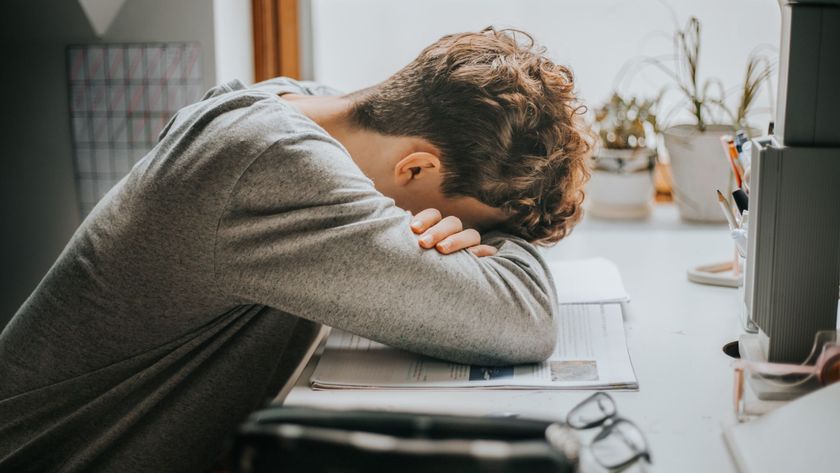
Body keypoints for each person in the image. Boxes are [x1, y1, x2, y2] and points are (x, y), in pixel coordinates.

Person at [0, 27, 590, 472]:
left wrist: (475, 227)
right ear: (416, 166)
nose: (457, 239)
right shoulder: (274, 166)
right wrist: (492, 253)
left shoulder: (306, 107)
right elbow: (523, 318)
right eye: (468, 223)